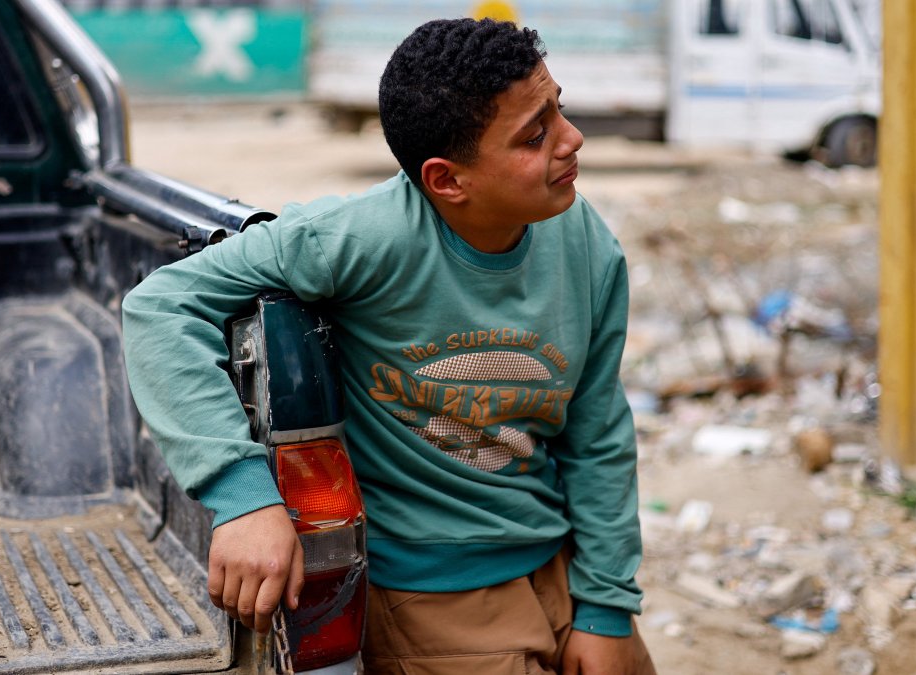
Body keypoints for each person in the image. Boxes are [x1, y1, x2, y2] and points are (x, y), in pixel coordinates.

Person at [122, 17, 656, 675]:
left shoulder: (587, 245)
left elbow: (597, 433)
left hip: (561, 568)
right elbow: (160, 306)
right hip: (436, 601)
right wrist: (244, 497)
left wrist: (605, 605)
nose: (572, 140)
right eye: (534, 135)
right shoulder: (358, 239)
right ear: (448, 181)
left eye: (559, 110)